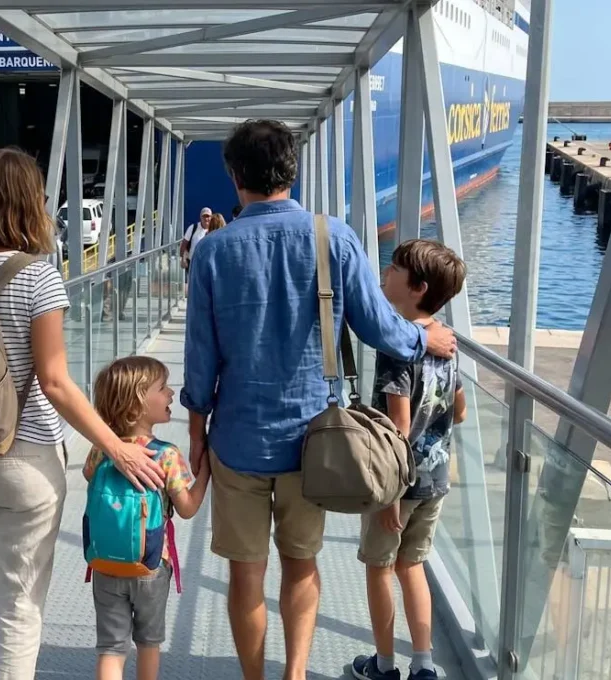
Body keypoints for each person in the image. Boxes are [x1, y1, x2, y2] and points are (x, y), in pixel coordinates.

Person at [180, 119, 457, 680]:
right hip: (317, 443)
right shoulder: (336, 238)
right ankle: (297, 674)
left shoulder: (213, 253)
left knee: (245, 574)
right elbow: (380, 327)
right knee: (301, 562)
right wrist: (423, 336)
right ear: (293, 171)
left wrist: (195, 436)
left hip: (237, 439)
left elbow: (200, 360)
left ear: (234, 176)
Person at [0, 148, 164, 679]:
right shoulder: (37, 276)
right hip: (26, 460)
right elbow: (54, 382)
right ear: (30, 205)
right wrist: (114, 445)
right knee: (19, 602)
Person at [349, 239, 468, 680]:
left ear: (416, 287)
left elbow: (398, 427)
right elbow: (460, 410)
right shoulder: (448, 343)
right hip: (435, 479)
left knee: (380, 568)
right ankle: (424, 665)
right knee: (412, 565)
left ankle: (382, 666)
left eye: (395, 267)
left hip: (398, 482)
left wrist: (390, 495)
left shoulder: (400, 347)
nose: (386, 270)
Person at [85, 356, 209, 680]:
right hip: (151, 566)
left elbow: (89, 477)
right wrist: (206, 473)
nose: (171, 394)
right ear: (139, 402)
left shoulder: (102, 449)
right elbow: (187, 508)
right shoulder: (165, 455)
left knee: (111, 647)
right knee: (148, 643)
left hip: (105, 563)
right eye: (163, 388)